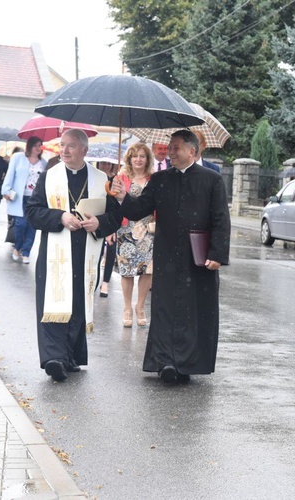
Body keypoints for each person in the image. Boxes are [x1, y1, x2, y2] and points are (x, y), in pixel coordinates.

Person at [111, 130, 230, 383]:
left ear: (192, 151)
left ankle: (186, 364)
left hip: (199, 258)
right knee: (165, 308)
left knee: (192, 309)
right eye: (169, 147)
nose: (170, 152)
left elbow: (221, 219)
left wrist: (217, 253)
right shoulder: (161, 179)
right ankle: (164, 361)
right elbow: (140, 209)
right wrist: (122, 196)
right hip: (167, 255)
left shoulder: (212, 179)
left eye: (176, 148)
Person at [25, 129, 121, 382]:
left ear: (85, 151)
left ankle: (69, 356)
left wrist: (99, 224)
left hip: (85, 252)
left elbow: (114, 217)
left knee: (77, 302)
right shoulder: (49, 176)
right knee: (53, 302)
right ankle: (53, 358)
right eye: (62, 145)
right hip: (55, 253)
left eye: (71, 146)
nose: (64, 150)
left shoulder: (102, 180)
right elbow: (33, 212)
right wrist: (60, 216)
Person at [113, 144, 155, 327]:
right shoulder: (121, 178)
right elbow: (113, 205)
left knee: (148, 270)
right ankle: (127, 308)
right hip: (126, 229)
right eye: (135, 156)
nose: (138, 159)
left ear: (147, 159)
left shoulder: (154, 179)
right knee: (127, 270)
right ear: (129, 159)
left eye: (142, 156)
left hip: (147, 230)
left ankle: (141, 306)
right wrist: (110, 229)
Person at [1, 136, 47, 264]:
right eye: (36, 145)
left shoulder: (43, 163)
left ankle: (26, 252)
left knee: (32, 226)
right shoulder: (18, 158)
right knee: (21, 224)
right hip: (20, 197)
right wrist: (6, 190)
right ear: (30, 146)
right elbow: (10, 174)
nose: (38, 148)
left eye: (40, 145)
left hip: (35, 198)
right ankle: (17, 247)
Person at [95, 161, 120, 298]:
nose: (105, 166)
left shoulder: (115, 180)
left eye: (107, 164)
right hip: (96, 217)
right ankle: (94, 278)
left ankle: (105, 282)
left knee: (111, 249)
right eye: (102, 163)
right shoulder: (94, 178)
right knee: (96, 251)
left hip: (110, 218)